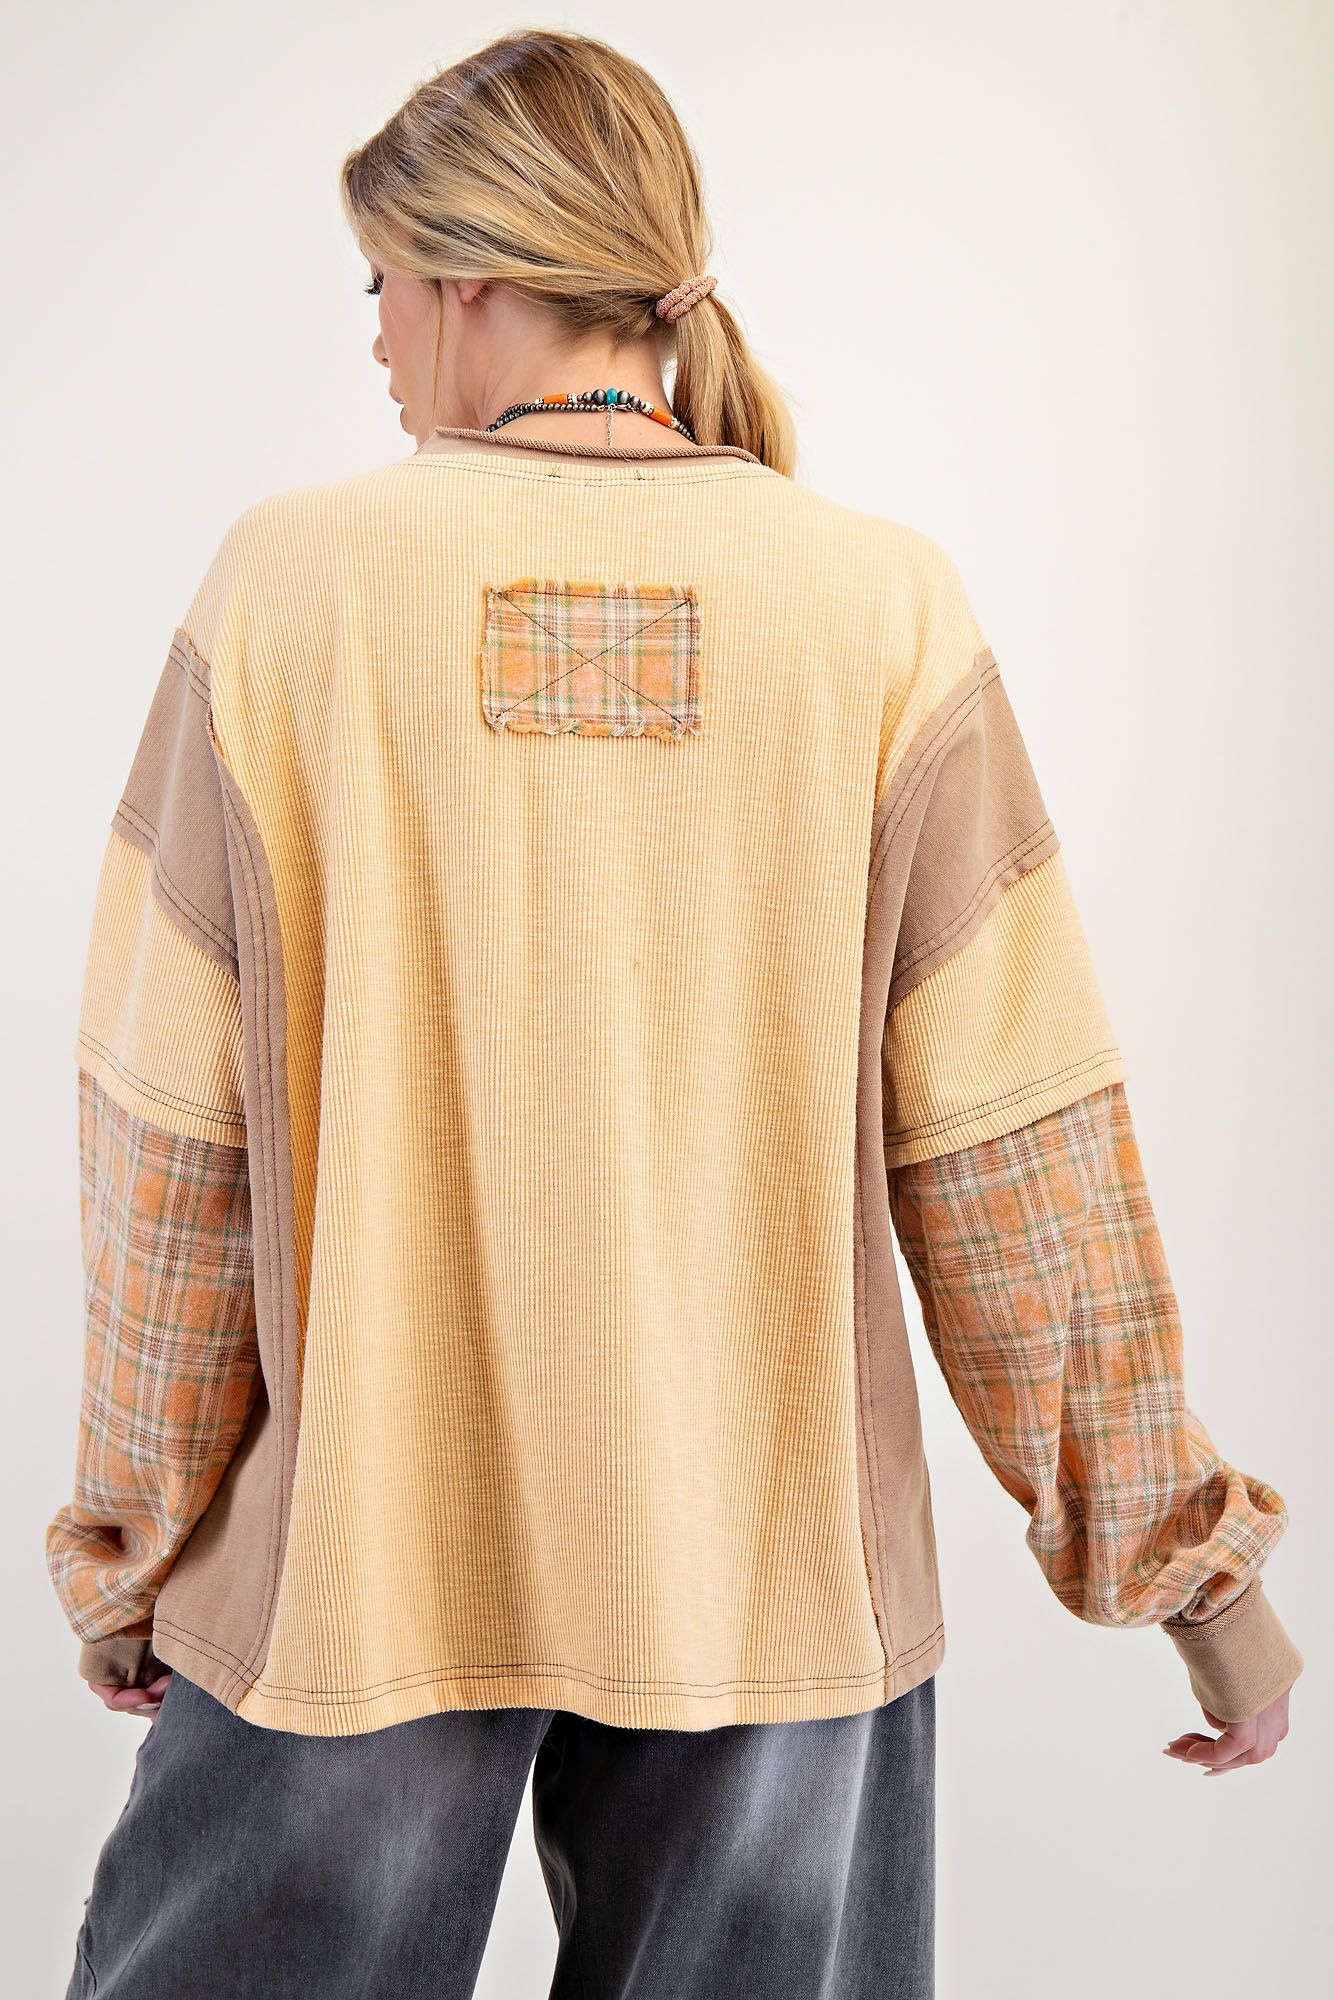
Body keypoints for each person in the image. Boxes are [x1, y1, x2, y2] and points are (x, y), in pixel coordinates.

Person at [45, 25, 1302, 2000]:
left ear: (471, 278)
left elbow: (167, 1144)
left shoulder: (289, 595)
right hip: (774, 1581)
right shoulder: (878, 609)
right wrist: (1194, 1584)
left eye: (379, 285)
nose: (374, 341)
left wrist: (133, 1545)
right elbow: (1016, 1156)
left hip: (359, 1570)